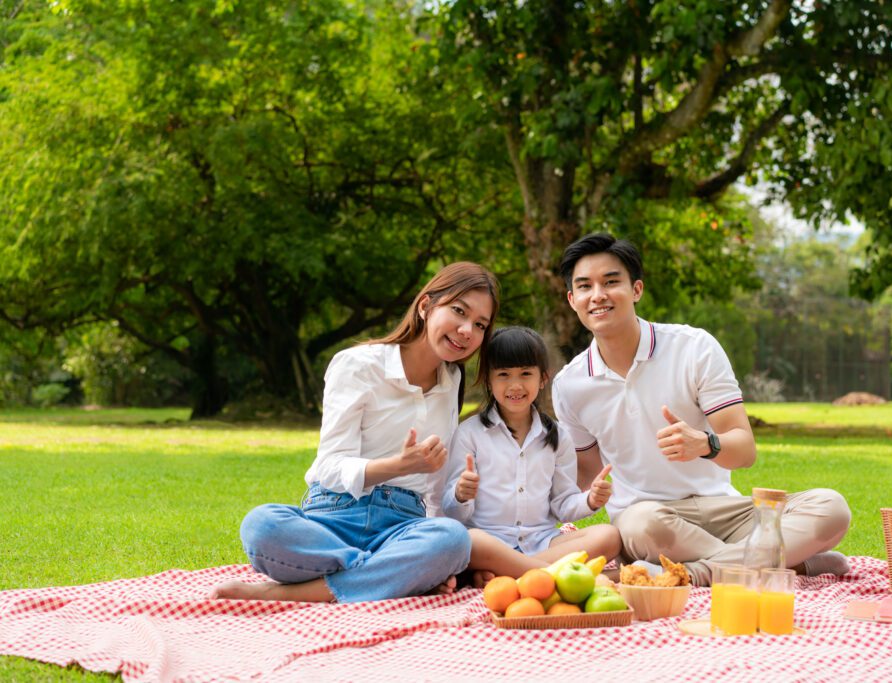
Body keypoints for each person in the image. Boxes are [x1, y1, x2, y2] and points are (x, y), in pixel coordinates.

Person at [550, 233, 851, 587]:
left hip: (724, 508)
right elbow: (586, 478)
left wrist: (706, 444)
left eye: (611, 282)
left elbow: (744, 450)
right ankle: (784, 563)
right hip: (650, 518)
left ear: (637, 290)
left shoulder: (694, 348)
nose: (597, 295)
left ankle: (699, 573)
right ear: (572, 300)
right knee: (638, 526)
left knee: (831, 508)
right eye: (585, 287)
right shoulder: (570, 385)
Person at [210, 262, 500, 603]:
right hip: (330, 520)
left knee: (452, 539)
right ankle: (389, 576)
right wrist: (398, 466)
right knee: (261, 526)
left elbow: (435, 497)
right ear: (425, 306)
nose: (467, 330)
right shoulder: (358, 365)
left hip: (400, 527)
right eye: (458, 311)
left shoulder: (451, 384)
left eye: (480, 325)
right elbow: (330, 467)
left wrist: (459, 501)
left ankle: (295, 592)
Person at [442, 326, 621, 579]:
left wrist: (590, 500)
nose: (515, 385)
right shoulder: (469, 433)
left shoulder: (558, 437)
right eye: (503, 374)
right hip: (491, 542)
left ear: (543, 379)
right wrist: (461, 494)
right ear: (488, 381)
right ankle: (560, 577)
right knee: (472, 540)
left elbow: (563, 505)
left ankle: (512, 574)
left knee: (608, 536)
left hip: (543, 542)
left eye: (526, 373)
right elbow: (453, 511)